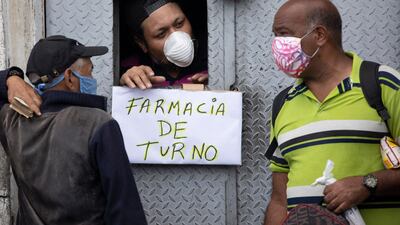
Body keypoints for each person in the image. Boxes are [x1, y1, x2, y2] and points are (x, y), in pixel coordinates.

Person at [264, 0, 400, 224]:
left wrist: (368, 184)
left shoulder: (382, 84)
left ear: (319, 35)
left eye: (283, 34)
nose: (277, 45)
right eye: (275, 36)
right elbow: (279, 200)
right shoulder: (283, 103)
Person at [0, 35, 148, 225]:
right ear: (70, 78)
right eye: (90, 72)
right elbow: (125, 209)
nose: (92, 79)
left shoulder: (12, 121)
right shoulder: (98, 123)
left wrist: (11, 79)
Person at [120, 0, 208, 89]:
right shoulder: (128, 68)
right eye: (161, 34)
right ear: (142, 43)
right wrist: (129, 81)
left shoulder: (216, 60)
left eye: (179, 23)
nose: (176, 38)